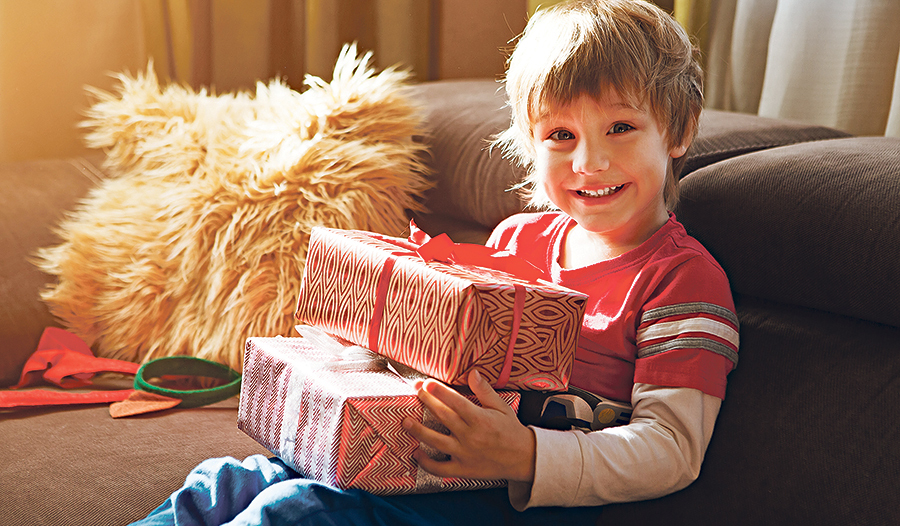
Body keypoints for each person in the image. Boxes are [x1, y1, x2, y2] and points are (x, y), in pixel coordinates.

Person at [131, 1, 738, 524]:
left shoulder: (681, 279)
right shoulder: (517, 240)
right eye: (561, 136)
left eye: (621, 127)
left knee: (294, 512)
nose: (589, 162)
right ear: (529, 144)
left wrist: (525, 454)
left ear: (678, 130)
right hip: (410, 458)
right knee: (223, 484)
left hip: (514, 498)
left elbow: (671, 449)